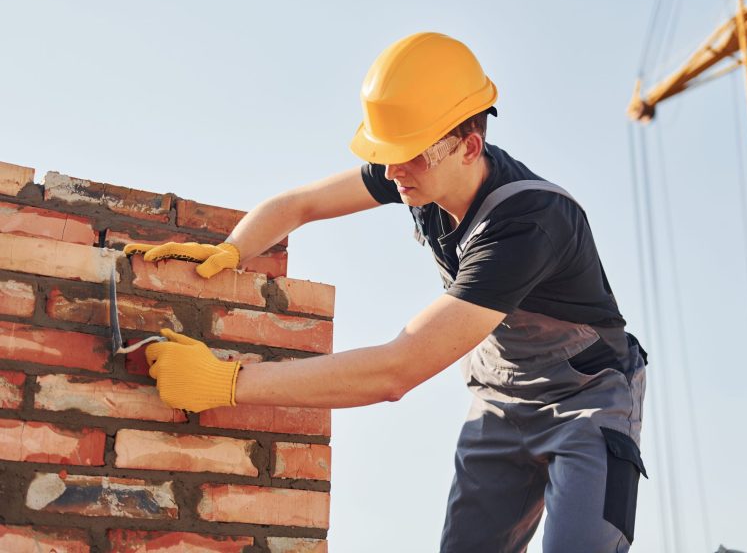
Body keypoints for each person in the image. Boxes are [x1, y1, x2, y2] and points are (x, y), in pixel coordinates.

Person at [125, 32, 648, 553]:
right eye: (388, 154)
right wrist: (234, 250)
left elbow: (397, 370)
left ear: (469, 146)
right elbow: (299, 206)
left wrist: (227, 382)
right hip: (500, 400)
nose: (393, 172)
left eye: (410, 157)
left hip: (585, 403)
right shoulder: (417, 169)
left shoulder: (530, 225)